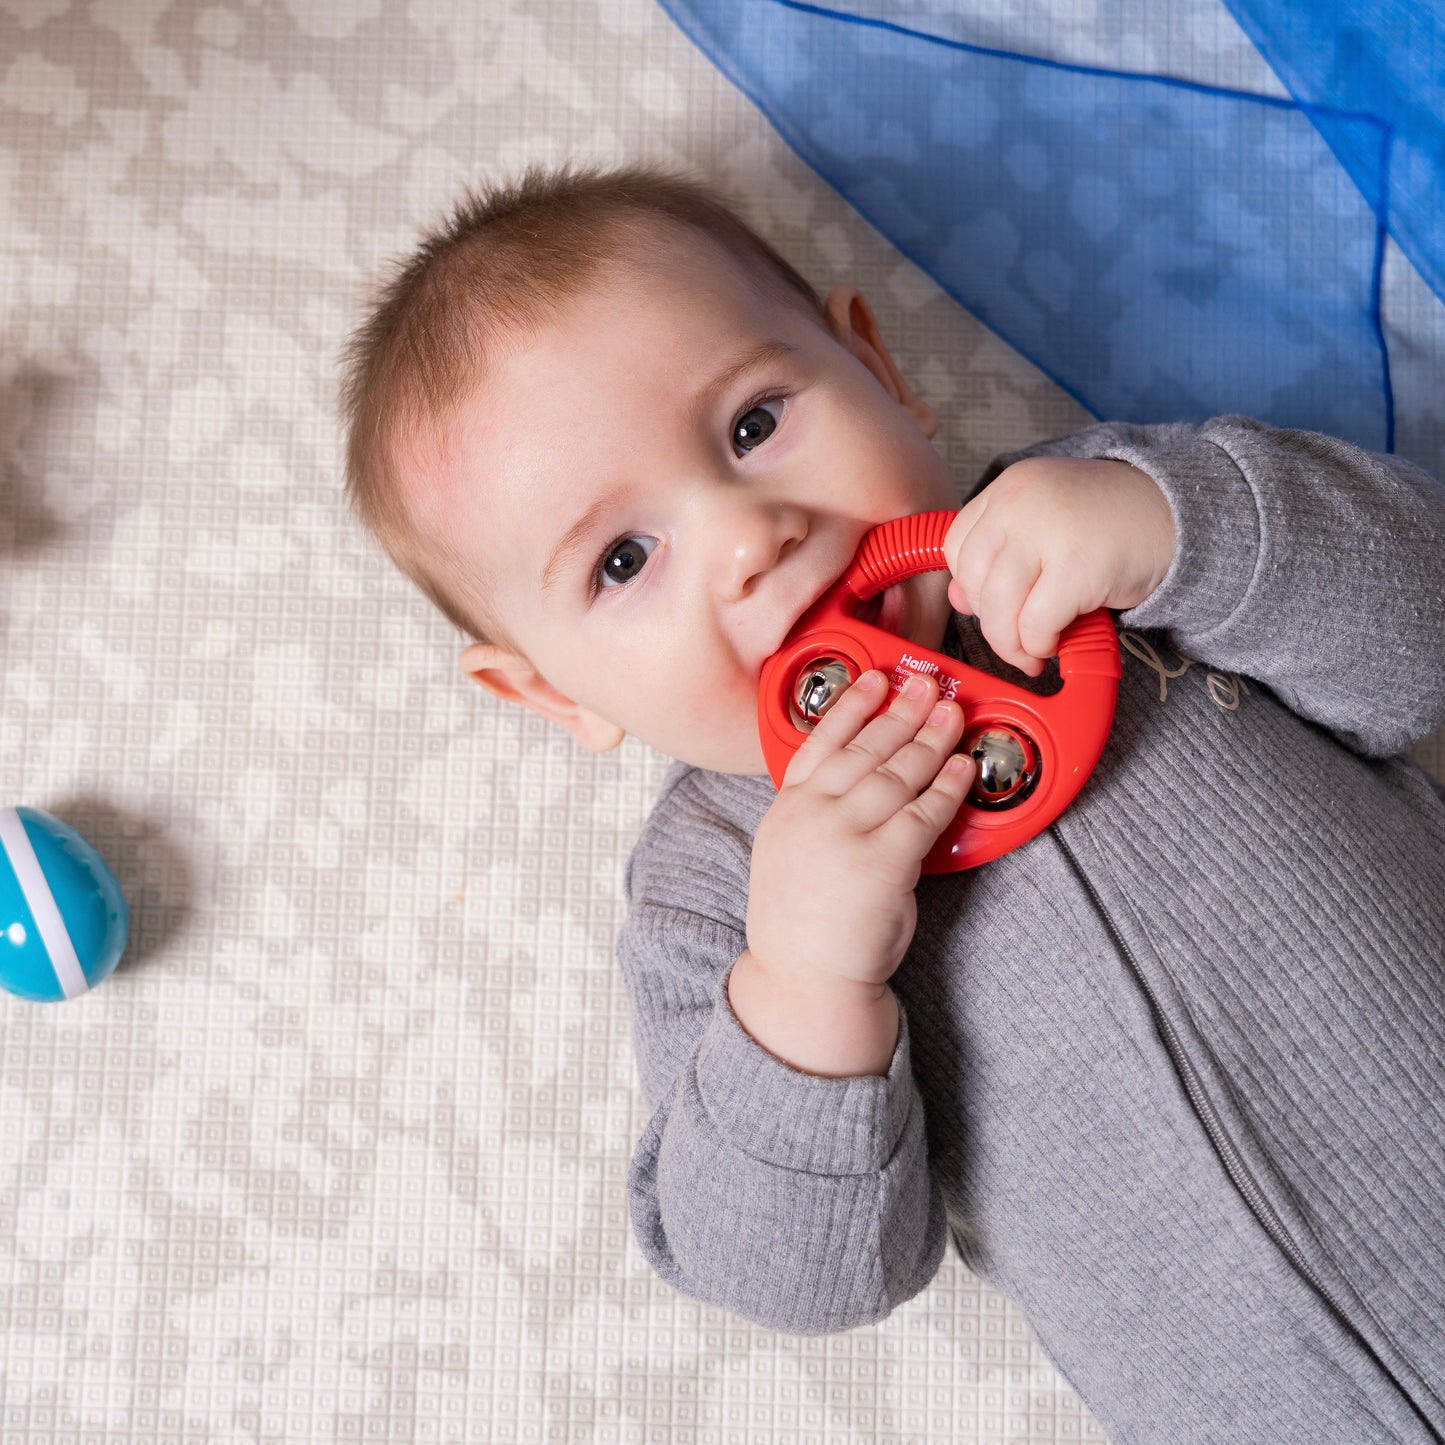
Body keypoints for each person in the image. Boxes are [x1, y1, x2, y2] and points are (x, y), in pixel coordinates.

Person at [339, 162, 1445, 1444]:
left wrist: (1174, 524)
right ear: (547, 692)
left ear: (878, 370)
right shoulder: (715, 893)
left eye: (753, 424)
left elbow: (1419, 632)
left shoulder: (1102, 521)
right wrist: (808, 983)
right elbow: (792, 1274)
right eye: (622, 560)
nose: (749, 534)